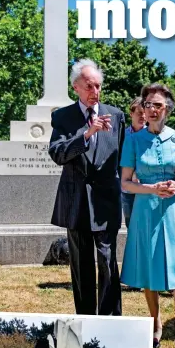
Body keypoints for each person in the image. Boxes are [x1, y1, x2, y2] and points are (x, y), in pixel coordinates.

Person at [120, 83, 175, 348]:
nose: (151, 110)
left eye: (157, 105)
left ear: (167, 109)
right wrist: (152, 188)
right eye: (147, 105)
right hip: (146, 210)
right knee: (149, 270)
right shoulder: (133, 140)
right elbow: (126, 183)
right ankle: (156, 324)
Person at [48, 59, 125, 316]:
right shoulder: (62, 117)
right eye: (90, 86)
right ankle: (85, 321)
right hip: (76, 202)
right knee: (81, 267)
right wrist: (87, 134)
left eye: (99, 86)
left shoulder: (116, 116)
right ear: (76, 87)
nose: (96, 92)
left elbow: (124, 158)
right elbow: (57, 153)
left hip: (106, 202)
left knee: (107, 263)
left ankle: (111, 322)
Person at [121, 96, 146, 229]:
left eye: (144, 113)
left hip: (148, 188)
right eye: (139, 113)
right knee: (132, 227)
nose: (142, 116)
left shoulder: (152, 134)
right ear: (131, 114)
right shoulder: (122, 136)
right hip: (128, 190)